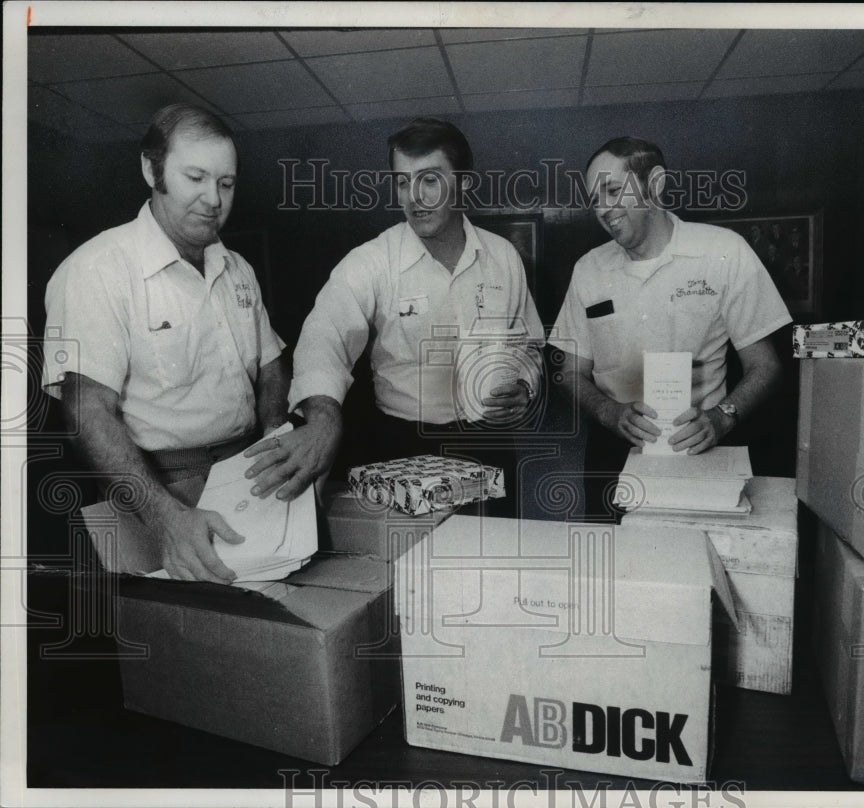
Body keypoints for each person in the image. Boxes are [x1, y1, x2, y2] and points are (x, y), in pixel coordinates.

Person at [244, 118, 544, 517]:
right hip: (403, 447)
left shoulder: (503, 256)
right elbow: (323, 338)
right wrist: (322, 418)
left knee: (492, 563)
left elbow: (529, 344)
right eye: (403, 182)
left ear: (464, 183)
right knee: (411, 570)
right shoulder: (372, 261)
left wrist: (525, 383)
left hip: (490, 444)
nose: (414, 197)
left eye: (430, 180)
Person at [42, 103, 290, 583]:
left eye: (226, 183)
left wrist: (274, 436)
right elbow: (84, 411)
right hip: (156, 487)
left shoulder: (236, 267)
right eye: (194, 177)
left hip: (244, 472)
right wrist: (166, 520)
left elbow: (272, 364)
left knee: (270, 624)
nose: (212, 199)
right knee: (182, 638)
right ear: (150, 169)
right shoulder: (95, 270)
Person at [549, 137, 791, 520]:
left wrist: (723, 416)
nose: (603, 209)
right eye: (595, 198)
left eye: (613, 190)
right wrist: (608, 411)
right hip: (610, 452)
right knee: (611, 568)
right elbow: (567, 371)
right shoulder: (588, 269)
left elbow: (766, 366)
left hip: (697, 446)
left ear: (656, 184)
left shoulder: (723, 252)